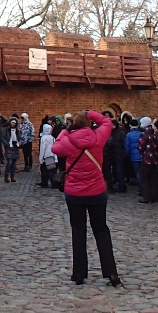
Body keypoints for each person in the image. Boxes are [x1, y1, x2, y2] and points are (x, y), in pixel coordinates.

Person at [53, 110, 121, 287]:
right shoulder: (97, 137)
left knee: (78, 231)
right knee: (101, 230)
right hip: (97, 191)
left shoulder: (68, 141)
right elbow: (107, 122)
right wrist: (90, 113)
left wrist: (65, 130)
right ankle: (111, 272)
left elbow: (55, 147)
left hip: (75, 193)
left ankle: (79, 273)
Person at [138, 117, 158, 204]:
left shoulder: (145, 134)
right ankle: (154, 196)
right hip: (154, 158)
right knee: (153, 178)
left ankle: (147, 197)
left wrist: (139, 148)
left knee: (144, 177)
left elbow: (141, 146)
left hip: (147, 158)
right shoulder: (153, 133)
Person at [106, 120, 127, 193]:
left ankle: (122, 186)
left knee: (119, 171)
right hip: (113, 155)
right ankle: (120, 184)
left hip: (119, 154)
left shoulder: (120, 133)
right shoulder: (112, 133)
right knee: (116, 171)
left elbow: (124, 144)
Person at [124, 118, 143, 197]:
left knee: (137, 173)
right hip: (142, 155)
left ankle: (141, 189)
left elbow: (127, 147)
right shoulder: (141, 134)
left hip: (134, 157)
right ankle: (145, 188)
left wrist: (129, 155)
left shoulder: (128, 135)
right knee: (143, 173)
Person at [38, 123, 58, 188]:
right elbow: (55, 148)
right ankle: (53, 183)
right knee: (51, 170)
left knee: (44, 171)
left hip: (45, 157)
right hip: (51, 156)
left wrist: (41, 158)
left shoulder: (43, 138)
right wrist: (55, 158)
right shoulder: (52, 138)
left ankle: (44, 182)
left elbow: (42, 149)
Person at [2, 115, 21, 183]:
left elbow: (20, 139)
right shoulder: (6, 129)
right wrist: (7, 144)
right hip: (9, 147)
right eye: (12, 122)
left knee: (14, 163)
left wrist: (18, 144)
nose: (13, 124)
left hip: (15, 147)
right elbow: (2, 138)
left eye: (14, 123)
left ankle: (12, 176)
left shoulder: (17, 131)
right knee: (9, 162)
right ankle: (6, 176)